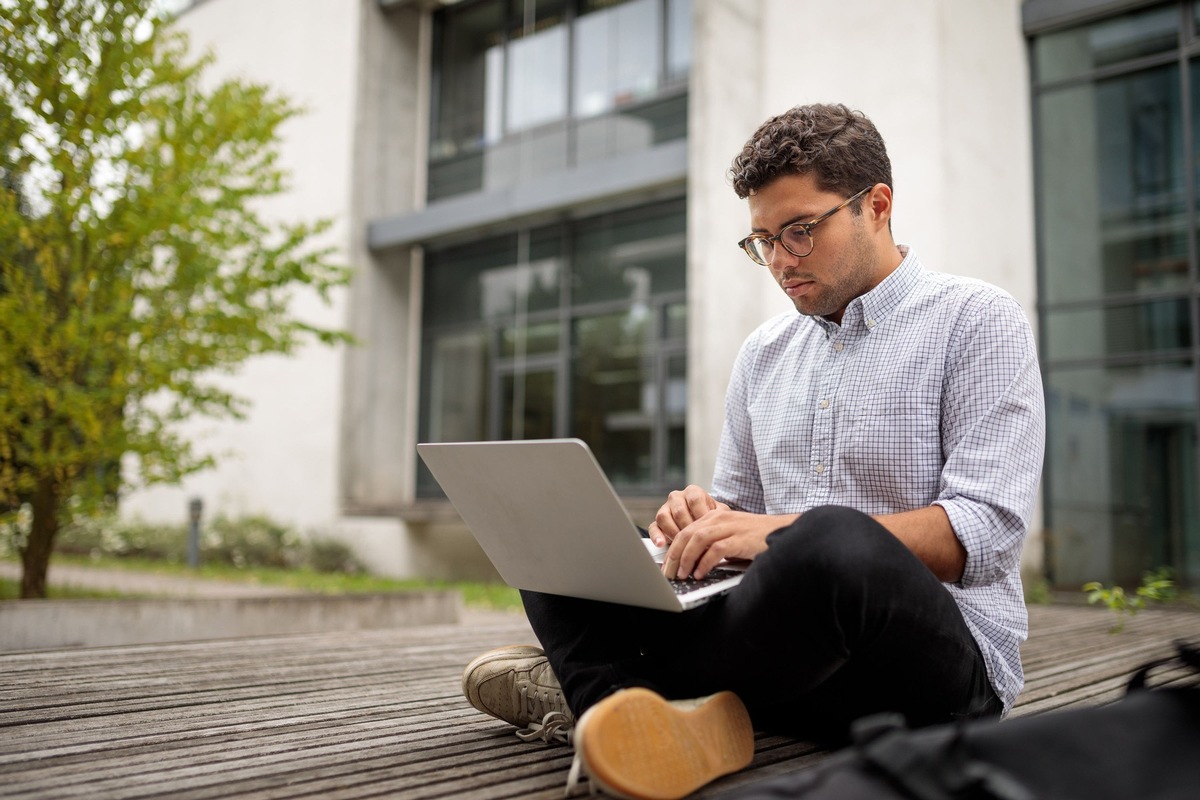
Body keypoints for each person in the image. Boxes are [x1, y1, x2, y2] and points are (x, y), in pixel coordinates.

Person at [460, 103, 1046, 800]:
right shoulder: (764, 353)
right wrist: (701, 521)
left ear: (877, 206)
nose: (780, 261)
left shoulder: (977, 322)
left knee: (831, 538)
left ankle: (607, 691)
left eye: (800, 231)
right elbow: (741, 520)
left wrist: (776, 532)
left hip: (933, 685)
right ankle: (634, 721)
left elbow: (984, 534)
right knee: (557, 527)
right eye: (762, 240)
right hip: (784, 672)